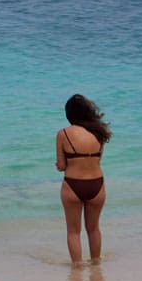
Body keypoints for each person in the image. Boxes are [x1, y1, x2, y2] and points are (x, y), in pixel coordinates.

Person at [57, 93, 111, 265]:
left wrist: (61, 165)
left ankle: (77, 268)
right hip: (97, 184)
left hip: (73, 185)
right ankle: (96, 266)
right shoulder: (99, 133)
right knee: (94, 229)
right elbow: (97, 160)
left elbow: (62, 165)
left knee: (73, 232)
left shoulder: (63, 134)